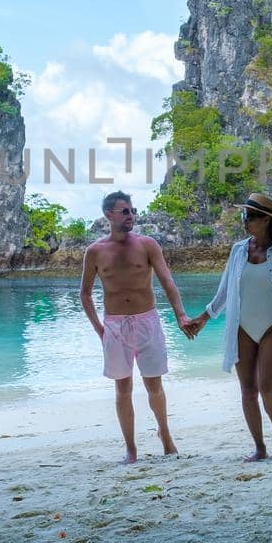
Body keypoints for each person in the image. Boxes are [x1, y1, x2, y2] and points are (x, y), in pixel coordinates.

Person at [185, 193, 272, 461]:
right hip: (241, 327)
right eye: (245, 216)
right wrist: (204, 318)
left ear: (266, 220)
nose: (245, 221)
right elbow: (225, 290)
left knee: (266, 387)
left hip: (271, 328)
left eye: (251, 217)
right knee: (247, 390)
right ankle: (260, 447)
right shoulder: (238, 250)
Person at [80, 190, 194, 464]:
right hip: (115, 326)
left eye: (132, 211)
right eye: (125, 211)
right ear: (109, 215)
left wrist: (180, 315)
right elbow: (84, 294)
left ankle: (165, 435)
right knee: (123, 389)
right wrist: (99, 329)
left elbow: (167, 281)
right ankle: (131, 449)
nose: (131, 216)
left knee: (154, 384)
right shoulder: (95, 251)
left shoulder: (147, 245)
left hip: (147, 321)